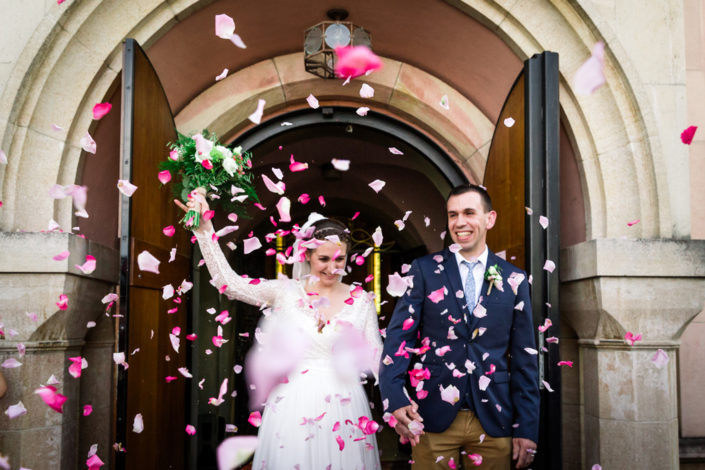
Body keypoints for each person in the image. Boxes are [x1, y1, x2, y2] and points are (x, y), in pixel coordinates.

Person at [175, 193, 383, 470]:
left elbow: (377, 356)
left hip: (345, 405)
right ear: (307, 255)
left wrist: (401, 404)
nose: (333, 268)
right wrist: (204, 230)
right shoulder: (285, 292)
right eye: (323, 259)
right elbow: (230, 284)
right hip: (292, 404)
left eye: (339, 259)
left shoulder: (361, 300)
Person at [379, 184, 539, 469]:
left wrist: (527, 427)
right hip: (432, 417)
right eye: (453, 215)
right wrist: (394, 397)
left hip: (495, 419)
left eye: (468, 212)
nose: (459, 222)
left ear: (489, 219)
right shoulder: (424, 270)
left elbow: (525, 358)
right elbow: (398, 338)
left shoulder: (514, 278)